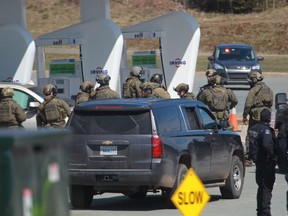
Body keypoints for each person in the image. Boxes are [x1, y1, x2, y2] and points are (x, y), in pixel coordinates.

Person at [248, 108, 277, 216]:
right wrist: (272, 155)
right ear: (268, 119)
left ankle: (260, 210)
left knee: (261, 187)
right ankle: (265, 212)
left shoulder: (253, 128)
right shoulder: (266, 130)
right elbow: (267, 145)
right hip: (266, 162)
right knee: (267, 188)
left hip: (258, 162)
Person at [243, 71, 273, 166]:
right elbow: (271, 103)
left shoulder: (253, 90)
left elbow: (248, 104)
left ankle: (248, 158)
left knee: (251, 134)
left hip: (255, 116)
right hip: (266, 115)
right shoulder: (268, 89)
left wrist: (245, 116)